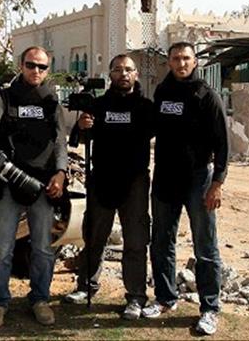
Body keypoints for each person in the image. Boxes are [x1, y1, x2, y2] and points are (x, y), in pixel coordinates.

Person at [0, 46, 69, 329]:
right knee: (3, 249)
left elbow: (60, 144)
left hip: (42, 185)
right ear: (21, 65)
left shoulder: (52, 101)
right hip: (7, 183)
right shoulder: (3, 98)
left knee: (42, 248)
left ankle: (40, 299)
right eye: (31, 65)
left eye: (42, 67)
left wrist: (61, 174)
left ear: (47, 70)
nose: (36, 71)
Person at [142, 41, 228, 336]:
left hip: (198, 180)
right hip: (165, 178)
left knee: (205, 245)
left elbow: (222, 145)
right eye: (176, 58)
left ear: (195, 62)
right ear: (169, 62)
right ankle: (165, 298)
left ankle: (209, 309)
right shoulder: (162, 92)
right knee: (162, 241)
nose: (181, 64)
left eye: (186, 59)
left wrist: (217, 184)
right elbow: (149, 127)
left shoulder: (206, 95)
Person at [64, 54, 153, 320]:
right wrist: (81, 126)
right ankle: (86, 286)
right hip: (101, 178)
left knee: (136, 241)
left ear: (136, 74)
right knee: (93, 236)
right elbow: (78, 140)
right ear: (110, 75)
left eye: (128, 70)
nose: (123, 74)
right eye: (117, 70)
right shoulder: (97, 105)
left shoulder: (146, 107)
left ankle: (135, 297)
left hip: (134, 182)